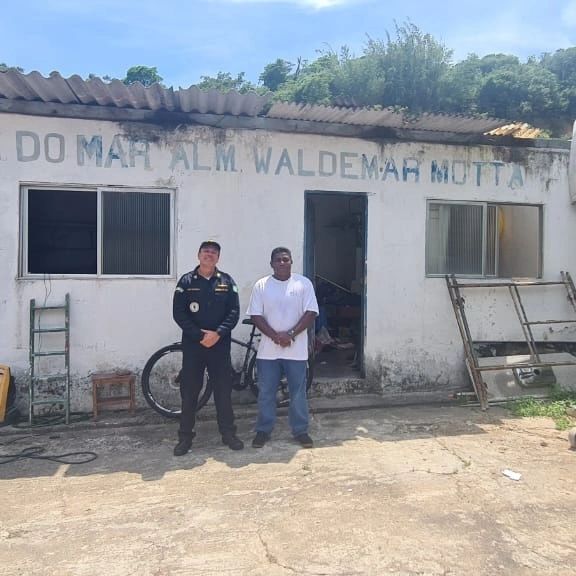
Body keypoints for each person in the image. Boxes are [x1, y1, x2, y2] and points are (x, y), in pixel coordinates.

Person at [172, 241, 244, 456]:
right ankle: (185, 437)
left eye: (213, 252)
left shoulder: (226, 281)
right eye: (206, 251)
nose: (209, 255)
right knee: (190, 392)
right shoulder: (186, 281)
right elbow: (179, 313)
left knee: (223, 391)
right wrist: (199, 335)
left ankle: (228, 434)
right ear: (199, 255)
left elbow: (234, 312)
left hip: (219, 345)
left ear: (218, 258)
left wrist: (218, 333)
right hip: (194, 346)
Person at [247, 247, 319, 449]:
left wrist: (291, 334)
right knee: (266, 392)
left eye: (286, 260)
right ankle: (263, 430)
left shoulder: (303, 284)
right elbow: (255, 315)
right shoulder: (262, 285)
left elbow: (311, 312)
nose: (282, 263)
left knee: (297, 393)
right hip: (268, 352)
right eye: (278, 260)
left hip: (296, 352)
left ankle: (300, 431)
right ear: (271, 263)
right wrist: (275, 336)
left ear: (291, 262)